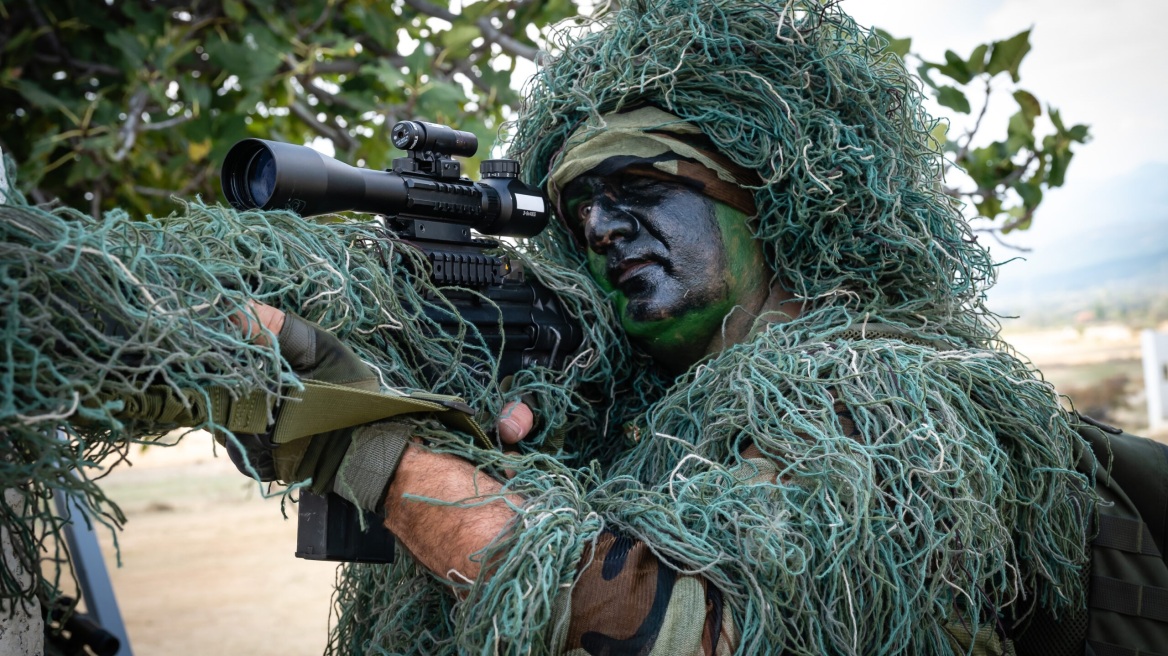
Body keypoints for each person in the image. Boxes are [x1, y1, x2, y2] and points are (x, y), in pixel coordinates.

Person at [235, 1, 1097, 654]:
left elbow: (689, 629)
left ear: (754, 205)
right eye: (580, 213)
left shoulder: (888, 397)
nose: (604, 227)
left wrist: (368, 452)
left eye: (640, 190)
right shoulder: (641, 418)